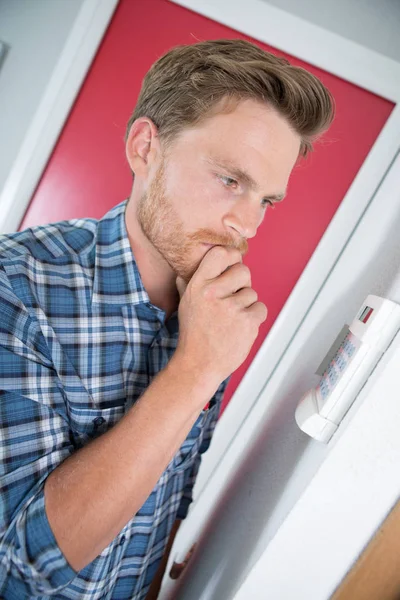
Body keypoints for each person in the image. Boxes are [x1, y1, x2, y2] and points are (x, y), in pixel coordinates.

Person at [0, 39, 334, 599]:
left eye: (266, 202)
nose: (246, 226)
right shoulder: (16, 287)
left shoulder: (211, 308)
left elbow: (168, 506)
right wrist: (196, 370)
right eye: (231, 181)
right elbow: (19, 568)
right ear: (145, 147)